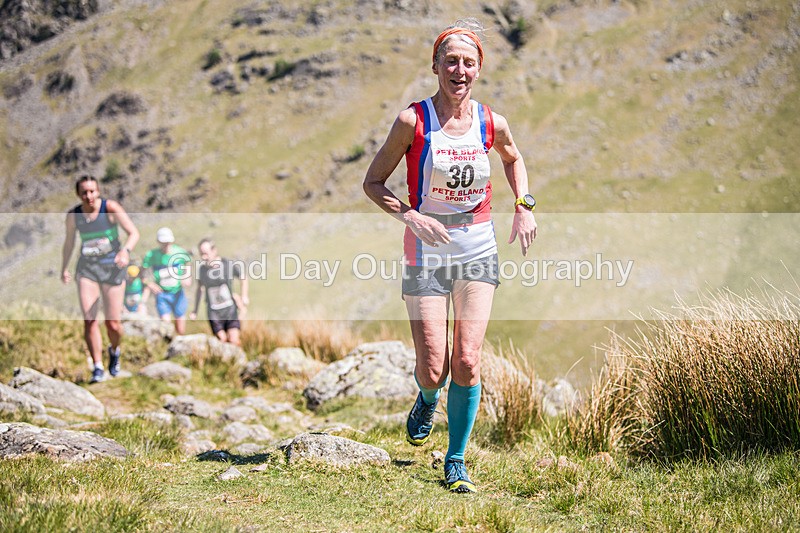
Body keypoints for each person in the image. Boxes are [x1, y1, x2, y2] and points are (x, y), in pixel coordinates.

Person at [363, 19, 537, 493]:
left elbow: (513, 158)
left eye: (468, 62)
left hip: (478, 246)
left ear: (479, 69)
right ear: (435, 65)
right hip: (425, 251)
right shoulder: (412, 121)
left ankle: (456, 459)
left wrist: (523, 206)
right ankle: (425, 396)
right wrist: (411, 216)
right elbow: (373, 183)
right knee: (434, 366)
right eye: (451, 61)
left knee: (467, 361)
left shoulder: (490, 122)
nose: (459, 70)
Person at [61, 175, 140, 383]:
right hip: (87, 270)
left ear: (98, 191)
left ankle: (114, 352)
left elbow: (133, 233)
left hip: (113, 269)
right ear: (78, 194)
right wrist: (64, 268)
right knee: (90, 320)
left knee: (113, 324)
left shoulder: (110, 208)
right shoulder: (74, 216)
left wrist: (125, 252)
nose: (89, 196)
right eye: (84, 192)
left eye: (92, 191)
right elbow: (69, 243)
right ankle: (97, 367)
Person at [189, 238, 249, 345]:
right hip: (214, 312)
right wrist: (195, 310)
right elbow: (199, 289)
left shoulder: (227, 265)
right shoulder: (202, 270)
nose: (204, 257)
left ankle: (239, 359)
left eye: (206, 254)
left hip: (230, 309)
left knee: (233, 340)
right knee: (222, 340)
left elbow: (243, 277)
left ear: (214, 251)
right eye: (201, 254)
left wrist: (244, 296)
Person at [142, 227, 191, 335]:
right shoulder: (151, 255)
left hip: (178, 293)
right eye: (163, 242)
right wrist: (150, 284)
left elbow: (187, 264)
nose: (166, 245)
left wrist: (187, 277)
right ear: (158, 242)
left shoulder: (180, 252)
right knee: (166, 326)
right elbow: (142, 275)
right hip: (162, 294)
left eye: (168, 242)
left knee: (181, 329)